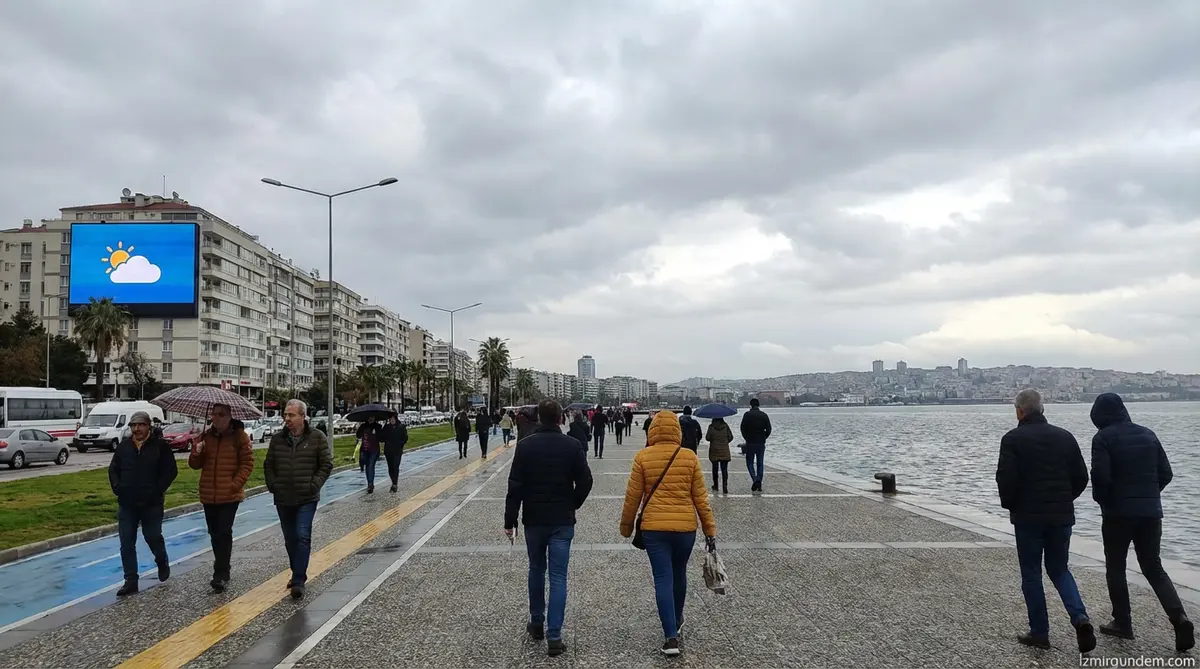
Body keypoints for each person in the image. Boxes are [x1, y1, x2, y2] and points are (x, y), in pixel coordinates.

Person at [1088, 393, 1193, 652]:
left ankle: (1123, 623)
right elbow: (1166, 473)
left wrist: (1104, 501)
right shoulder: (1148, 434)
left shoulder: (1102, 438)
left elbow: (1101, 478)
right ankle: (1179, 618)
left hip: (1117, 515)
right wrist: (1149, 495)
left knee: (1116, 567)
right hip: (1150, 513)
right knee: (1153, 567)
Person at [995, 388, 1095, 652]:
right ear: (1042, 409)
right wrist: (1065, 499)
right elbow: (1081, 477)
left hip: (1028, 518)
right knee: (1060, 569)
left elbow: (1006, 480)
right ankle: (1080, 617)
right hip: (1061, 515)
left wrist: (1012, 505)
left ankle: (1040, 632)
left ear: (1019, 411)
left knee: (1031, 574)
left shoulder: (1013, 439)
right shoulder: (1065, 437)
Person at [620, 410, 717, 657]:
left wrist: (627, 526)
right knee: (679, 574)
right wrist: (709, 529)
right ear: (677, 430)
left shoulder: (643, 457)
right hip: (685, 528)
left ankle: (670, 636)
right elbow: (701, 499)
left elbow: (632, 498)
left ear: (652, 430)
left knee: (662, 578)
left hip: (653, 529)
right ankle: (678, 618)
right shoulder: (689, 457)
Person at [504, 400, 594, 657]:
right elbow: (586, 480)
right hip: (562, 520)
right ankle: (554, 635)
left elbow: (515, 485)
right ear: (559, 419)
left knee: (535, 568)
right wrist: (573, 503)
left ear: (540, 418)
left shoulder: (525, 446)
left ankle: (536, 621)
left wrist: (509, 521)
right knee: (558, 576)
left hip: (534, 519)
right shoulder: (572, 446)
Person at [265, 399, 334, 600]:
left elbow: (326, 464)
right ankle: (297, 570)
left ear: (303, 417)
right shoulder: (278, 440)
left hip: (307, 498)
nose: (287, 418)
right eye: (285, 415)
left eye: (291, 415)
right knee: (290, 539)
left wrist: (314, 484)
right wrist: (273, 485)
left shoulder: (317, 437)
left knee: (302, 535)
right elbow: (268, 465)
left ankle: (298, 580)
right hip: (283, 497)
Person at [109, 410, 178, 597]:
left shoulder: (160, 447)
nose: (137, 429)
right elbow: (113, 469)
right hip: (127, 502)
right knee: (126, 542)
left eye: (140, 425)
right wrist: (118, 487)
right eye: (133, 425)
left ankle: (161, 560)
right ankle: (130, 580)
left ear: (149, 426)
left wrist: (157, 489)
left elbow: (171, 471)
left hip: (152, 503)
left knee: (153, 536)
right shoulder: (124, 447)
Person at [189, 404, 254, 593]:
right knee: (214, 533)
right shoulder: (206, 436)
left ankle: (221, 573)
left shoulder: (239, 436)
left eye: (220, 415)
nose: (215, 418)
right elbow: (195, 465)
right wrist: (196, 451)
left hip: (229, 495)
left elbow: (248, 463)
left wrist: (235, 484)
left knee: (224, 532)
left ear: (229, 417)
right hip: (209, 494)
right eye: (213, 414)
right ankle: (222, 566)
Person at [740, 398, 772, 491]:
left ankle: (754, 480)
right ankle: (759, 481)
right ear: (759, 405)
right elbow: (769, 429)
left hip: (750, 442)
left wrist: (746, 437)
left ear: (750, 405)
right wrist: (764, 437)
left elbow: (742, 428)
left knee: (749, 462)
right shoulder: (764, 415)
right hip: (760, 442)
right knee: (760, 463)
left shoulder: (747, 415)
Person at [381, 414, 409, 494]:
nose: (392, 420)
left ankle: (395, 484)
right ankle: (393, 482)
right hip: (388, 450)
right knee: (390, 467)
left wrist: (400, 444)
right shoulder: (386, 427)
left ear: (396, 419)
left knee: (395, 466)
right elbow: (382, 437)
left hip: (397, 450)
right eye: (390, 419)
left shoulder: (401, 426)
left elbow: (405, 437)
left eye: (393, 419)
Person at [706, 416, 733, 494]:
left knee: (715, 469)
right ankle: (725, 487)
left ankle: (716, 485)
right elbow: (731, 437)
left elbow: (707, 438)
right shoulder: (725, 426)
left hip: (714, 450)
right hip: (724, 450)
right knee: (724, 470)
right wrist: (725, 442)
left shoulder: (711, 427)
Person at [356, 417, 382, 493]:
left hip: (374, 450)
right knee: (367, 466)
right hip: (365, 450)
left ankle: (370, 484)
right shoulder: (363, 426)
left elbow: (381, 438)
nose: (370, 419)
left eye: (372, 418)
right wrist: (361, 429)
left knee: (370, 465)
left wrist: (377, 433)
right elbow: (358, 435)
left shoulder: (378, 426)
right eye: (369, 417)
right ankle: (369, 483)